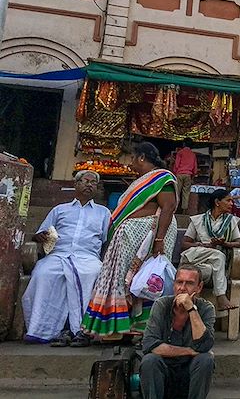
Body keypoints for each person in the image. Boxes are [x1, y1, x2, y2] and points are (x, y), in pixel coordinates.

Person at [80, 142, 178, 342]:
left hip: (153, 234)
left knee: (146, 278)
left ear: (141, 157)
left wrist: (159, 239)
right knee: (127, 278)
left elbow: (168, 207)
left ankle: (144, 329)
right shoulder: (141, 181)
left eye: (133, 158)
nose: (131, 163)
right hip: (132, 237)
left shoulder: (162, 178)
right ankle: (121, 327)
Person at [23, 170, 109, 346]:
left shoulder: (104, 213)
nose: (89, 184)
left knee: (92, 273)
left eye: (93, 182)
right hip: (58, 255)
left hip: (87, 258)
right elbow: (40, 234)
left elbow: (106, 242)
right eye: (85, 181)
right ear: (76, 184)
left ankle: (80, 330)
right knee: (43, 274)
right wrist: (40, 237)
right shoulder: (59, 210)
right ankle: (42, 329)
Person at [140, 264, 215, 399]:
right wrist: (189, 351)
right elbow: (149, 345)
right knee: (149, 360)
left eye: (189, 283)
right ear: (174, 284)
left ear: (199, 287)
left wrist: (191, 309)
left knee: (205, 359)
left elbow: (204, 345)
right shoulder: (161, 305)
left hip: (190, 371)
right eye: (179, 282)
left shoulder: (206, 308)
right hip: (163, 370)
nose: (182, 288)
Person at [180, 189, 240, 311]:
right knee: (218, 255)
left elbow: (239, 243)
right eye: (228, 200)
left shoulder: (231, 221)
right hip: (195, 257)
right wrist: (202, 245)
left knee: (208, 268)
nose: (232, 203)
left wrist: (225, 243)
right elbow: (184, 244)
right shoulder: (198, 219)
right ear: (217, 202)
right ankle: (221, 296)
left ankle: (192, 309)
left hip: (209, 266)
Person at [173, 138, 197, 214]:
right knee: (186, 194)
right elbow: (195, 168)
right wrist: (192, 176)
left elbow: (176, 165)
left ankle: (174, 210)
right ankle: (184, 212)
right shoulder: (193, 154)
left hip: (179, 174)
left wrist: (175, 173)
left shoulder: (180, 153)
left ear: (183, 144)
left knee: (177, 193)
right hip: (188, 175)